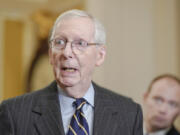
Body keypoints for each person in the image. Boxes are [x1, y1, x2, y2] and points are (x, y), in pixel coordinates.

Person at [0, 9, 143, 135]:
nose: (67, 52)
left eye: (80, 43)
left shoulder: (129, 113)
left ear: (100, 55)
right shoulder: (14, 113)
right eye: (60, 42)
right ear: (50, 54)